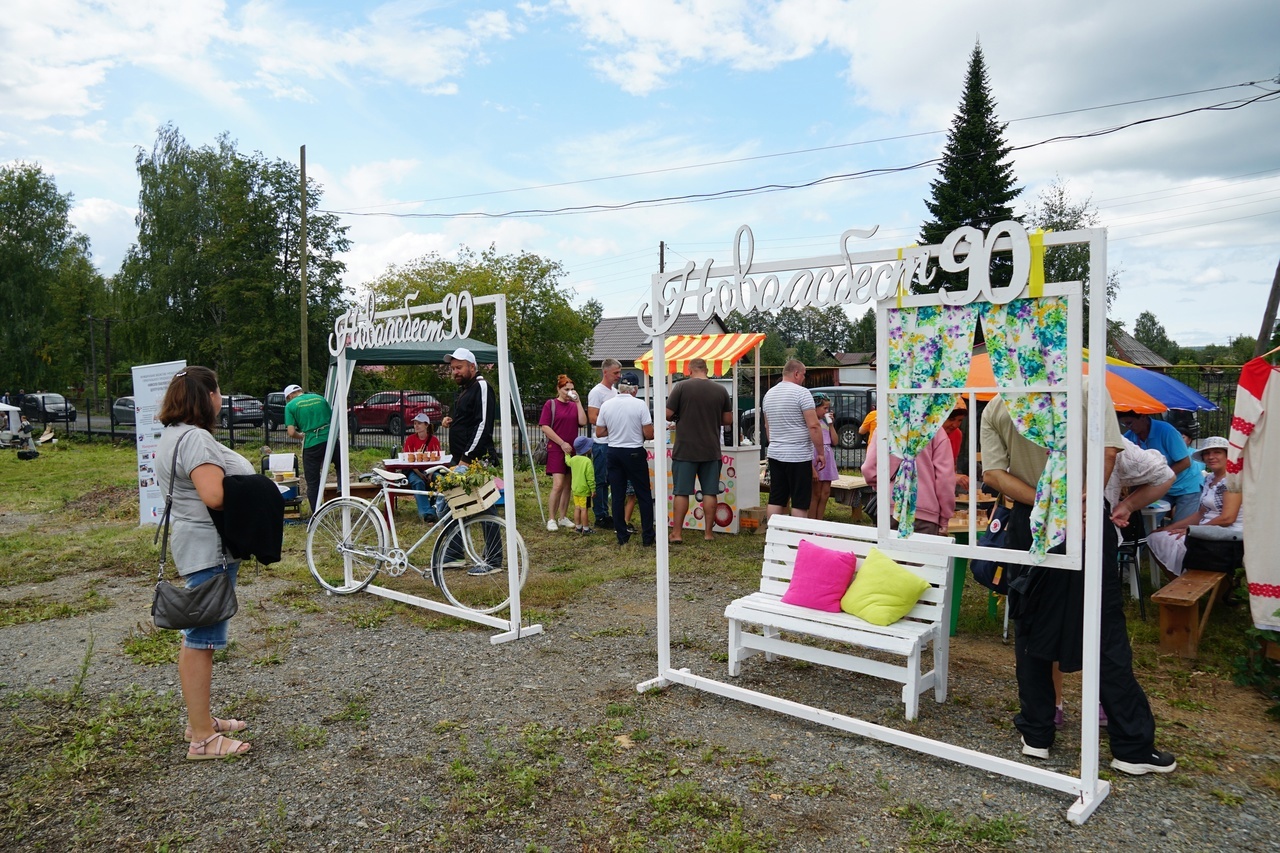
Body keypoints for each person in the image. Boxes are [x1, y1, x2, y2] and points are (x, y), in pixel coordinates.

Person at [981, 386, 1176, 776]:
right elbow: (1107, 450)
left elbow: (993, 474)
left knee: (1030, 623)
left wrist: (1047, 500)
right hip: (1083, 515)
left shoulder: (1000, 403)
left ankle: (1037, 734)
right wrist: (1079, 502)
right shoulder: (1087, 389)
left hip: (1031, 519)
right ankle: (1131, 744)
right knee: (1103, 629)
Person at [155, 366, 254, 759]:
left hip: (198, 544)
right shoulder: (195, 438)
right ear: (206, 396)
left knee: (198, 637)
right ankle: (202, 739)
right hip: (208, 547)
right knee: (202, 640)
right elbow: (214, 495)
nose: (221, 398)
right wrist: (260, 497)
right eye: (218, 392)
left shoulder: (175, 434)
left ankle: (202, 720)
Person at [439, 347, 501, 575]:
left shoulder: (482, 387)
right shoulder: (466, 390)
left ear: (472, 367)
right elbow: (468, 421)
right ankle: (455, 554)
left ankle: (493, 560)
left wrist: (467, 458)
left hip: (475, 459)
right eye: (452, 368)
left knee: (484, 506)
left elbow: (483, 424)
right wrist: (452, 422)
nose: (454, 372)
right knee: (450, 502)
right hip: (461, 458)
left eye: (459, 367)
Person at [1147, 436, 1243, 578]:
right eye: (1207, 453)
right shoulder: (1209, 479)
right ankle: (1178, 583)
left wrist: (1193, 531)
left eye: (1217, 452)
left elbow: (1227, 518)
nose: (1211, 457)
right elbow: (1200, 513)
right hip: (1208, 530)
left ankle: (1184, 584)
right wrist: (1171, 527)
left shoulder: (1232, 481)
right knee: (1156, 537)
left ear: (1228, 456)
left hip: (1228, 536)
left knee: (1179, 543)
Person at [665, 358, 732, 542]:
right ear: (707, 369)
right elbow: (727, 420)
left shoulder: (681, 388)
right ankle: (708, 534)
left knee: (682, 491)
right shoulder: (721, 390)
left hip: (686, 448)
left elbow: (667, 414)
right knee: (710, 492)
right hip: (711, 449)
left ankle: (677, 533)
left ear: (689, 370)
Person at [861, 407, 955, 535]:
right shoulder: (936, 430)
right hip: (925, 512)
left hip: (890, 507)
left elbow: (868, 468)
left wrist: (884, 487)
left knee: (889, 554)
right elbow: (945, 479)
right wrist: (945, 518)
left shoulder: (886, 427)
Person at [761, 359, 826, 518]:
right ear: (796, 373)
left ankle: (774, 537)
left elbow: (767, 427)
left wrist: (776, 443)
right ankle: (797, 538)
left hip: (776, 453)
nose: (804, 378)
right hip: (798, 455)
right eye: (803, 375)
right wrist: (821, 452)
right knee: (800, 501)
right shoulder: (802, 393)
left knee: (777, 498)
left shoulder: (769, 394)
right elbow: (814, 426)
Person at [596, 381, 655, 546]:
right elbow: (649, 434)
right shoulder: (639, 404)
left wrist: (614, 429)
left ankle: (621, 535)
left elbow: (599, 432)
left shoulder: (607, 405)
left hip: (614, 451)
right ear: (635, 389)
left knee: (617, 495)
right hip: (634, 451)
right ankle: (648, 536)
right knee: (643, 494)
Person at [1118, 411, 1200, 522]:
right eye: (1124, 424)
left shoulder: (1167, 431)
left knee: (1180, 528)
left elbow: (1185, 462)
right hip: (1159, 485)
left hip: (1186, 486)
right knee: (1147, 521)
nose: (1128, 427)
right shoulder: (1129, 437)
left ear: (1143, 416)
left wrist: (1160, 476)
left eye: (1130, 423)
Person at [539, 375, 587, 532]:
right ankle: (551, 518)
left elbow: (582, 421)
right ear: (558, 389)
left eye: (572, 389)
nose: (569, 392)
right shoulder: (551, 404)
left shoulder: (574, 405)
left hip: (572, 450)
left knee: (568, 485)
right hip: (557, 448)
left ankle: (563, 517)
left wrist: (578, 401)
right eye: (566, 389)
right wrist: (561, 443)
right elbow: (545, 426)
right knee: (558, 484)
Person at [284, 383, 340, 515]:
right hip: (330, 440)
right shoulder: (319, 398)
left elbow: (291, 432)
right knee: (340, 465)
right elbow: (333, 418)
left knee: (313, 481)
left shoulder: (290, 406)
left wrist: (301, 436)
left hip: (312, 444)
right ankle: (341, 488)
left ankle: (317, 513)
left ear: (290, 395)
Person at [587, 359, 623, 529]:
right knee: (601, 480)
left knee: (613, 478)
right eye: (616, 373)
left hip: (614, 442)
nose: (619, 376)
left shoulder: (615, 392)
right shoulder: (597, 392)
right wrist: (613, 426)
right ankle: (600, 514)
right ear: (605, 372)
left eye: (619, 372)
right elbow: (593, 418)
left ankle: (611, 513)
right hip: (602, 442)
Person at [403, 413, 442, 522]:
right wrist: (420, 474)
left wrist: (430, 473)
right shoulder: (410, 440)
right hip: (414, 470)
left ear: (426, 425)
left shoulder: (434, 440)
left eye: (419, 423)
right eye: (415, 423)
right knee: (417, 482)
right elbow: (408, 460)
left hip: (431, 469)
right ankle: (426, 513)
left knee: (440, 480)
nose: (416, 426)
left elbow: (438, 458)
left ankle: (437, 508)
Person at [808, 393, 840, 521]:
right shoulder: (811, 424)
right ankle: (812, 522)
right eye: (824, 408)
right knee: (815, 493)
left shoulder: (826, 423)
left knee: (825, 493)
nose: (827, 411)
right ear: (815, 408)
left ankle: (820, 523)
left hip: (827, 455)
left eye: (828, 408)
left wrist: (831, 424)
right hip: (816, 455)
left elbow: (835, 441)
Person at [567, 435, 597, 534]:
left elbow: (567, 461)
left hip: (575, 489)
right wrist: (593, 489)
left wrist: (566, 454)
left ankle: (578, 527)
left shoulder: (573, 459)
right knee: (584, 509)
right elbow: (590, 477)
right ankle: (586, 528)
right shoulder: (587, 461)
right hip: (584, 490)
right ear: (586, 449)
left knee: (577, 508)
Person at [941, 402, 971, 492]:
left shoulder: (957, 434)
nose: (955, 425)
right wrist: (953, 477)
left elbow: (952, 465)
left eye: (960, 420)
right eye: (951, 419)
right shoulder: (927, 436)